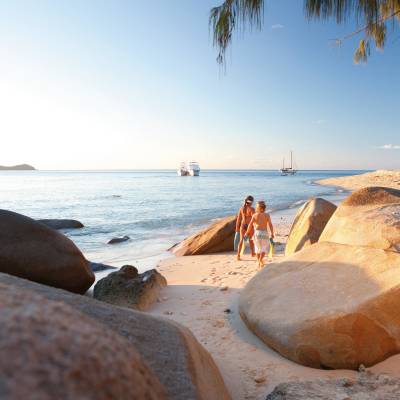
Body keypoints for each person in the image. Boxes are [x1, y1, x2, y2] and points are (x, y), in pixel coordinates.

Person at [245, 200, 274, 268]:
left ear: (258, 208)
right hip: (264, 233)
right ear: (264, 208)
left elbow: (250, 225)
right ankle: (260, 260)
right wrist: (272, 233)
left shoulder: (255, 215)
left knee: (257, 249)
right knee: (264, 248)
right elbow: (270, 225)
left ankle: (259, 261)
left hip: (257, 233)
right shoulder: (267, 215)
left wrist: (247, 233)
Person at [235, 195, 255, 260]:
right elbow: (254, 218)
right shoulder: (252, 209)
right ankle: (252, 253)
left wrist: (237, 228)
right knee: (251, 240)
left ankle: (238, 255)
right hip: (249, 226)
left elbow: (238, 219)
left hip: (243, 226)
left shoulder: (241, 209)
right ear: (251, 202)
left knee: (241, 241)